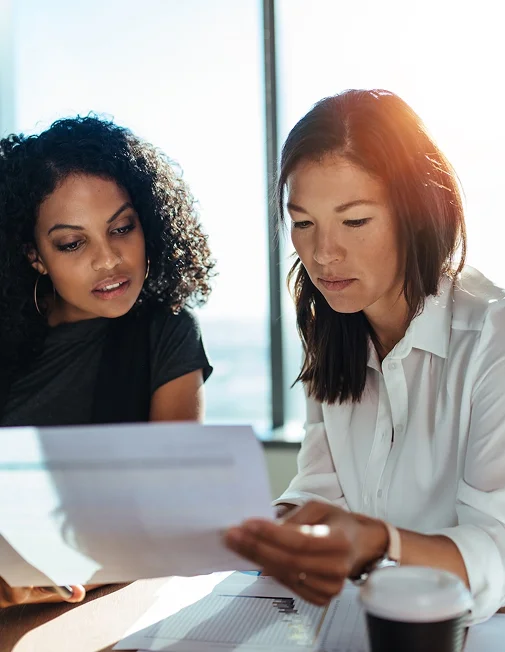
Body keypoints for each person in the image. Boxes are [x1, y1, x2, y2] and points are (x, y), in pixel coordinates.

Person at [225, 89, 505, 624]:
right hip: (362, 624)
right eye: (303, 223)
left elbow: (498, 552)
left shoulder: (493, 336)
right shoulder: (331, 329)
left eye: (354, 221)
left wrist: (380, 542)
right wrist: (270, 530)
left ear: (417, 214)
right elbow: (319, 488)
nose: (323, 253)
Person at [0, 115, 214, 608]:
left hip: (97, 608)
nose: (109, 259)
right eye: (72, 243)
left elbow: (170, 516)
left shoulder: (167, 333)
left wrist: (54, 576)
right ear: (35, 256)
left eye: (121, 227)